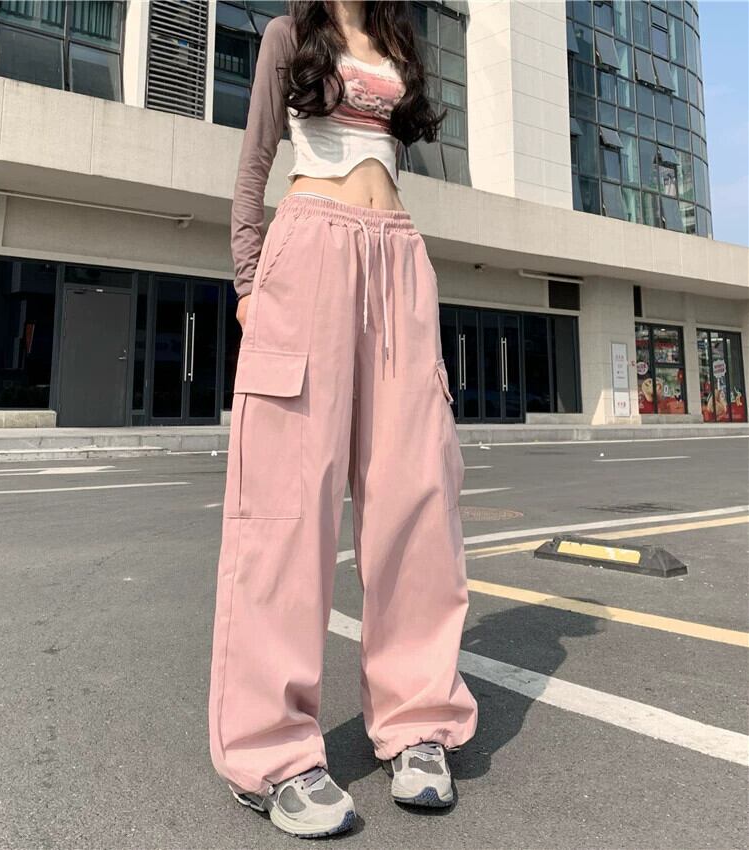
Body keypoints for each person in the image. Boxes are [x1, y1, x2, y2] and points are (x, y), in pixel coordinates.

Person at [208, 1, 478, 838]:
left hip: (396, 255)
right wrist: (248, 283)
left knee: (416, 496)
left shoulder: (399, 41)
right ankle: (271, 753)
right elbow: (255, 162)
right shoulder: (289, 36)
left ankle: (417, 721)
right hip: (310, 248)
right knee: (287, 507)